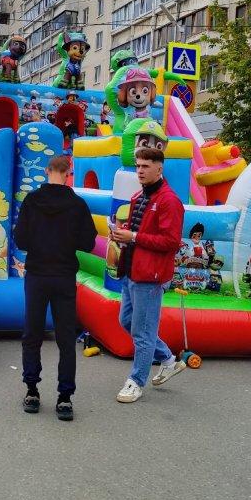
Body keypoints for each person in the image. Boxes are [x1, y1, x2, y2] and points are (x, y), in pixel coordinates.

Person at [13, 154, 97, 421]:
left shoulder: (32, 201)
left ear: (47, 171)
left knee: (32, 334)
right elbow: (88, 243)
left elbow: (21, 239)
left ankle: (32, 391)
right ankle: (65, 398)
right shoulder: (78, 205)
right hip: (64, 276)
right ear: (68, 173)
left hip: (37, 274)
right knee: (65, 339)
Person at [111, 146, 186, 404]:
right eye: (138, 166)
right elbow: (138, 231)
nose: (140, 171)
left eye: (145, 166)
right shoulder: (138, 196)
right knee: (127, 322)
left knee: (142, 332)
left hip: (150, 276)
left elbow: (171, 242)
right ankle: (167, 360)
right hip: (132, 270)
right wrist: (122, 234)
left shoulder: (169, 201)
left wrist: (133, 236)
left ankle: (136, 382)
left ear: (159, 168)